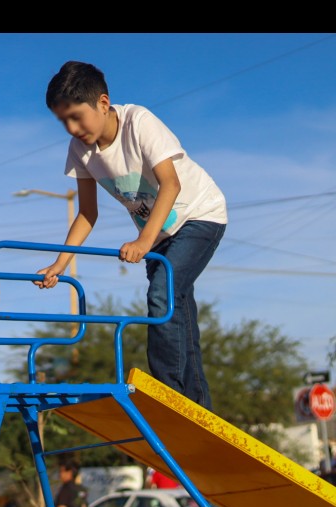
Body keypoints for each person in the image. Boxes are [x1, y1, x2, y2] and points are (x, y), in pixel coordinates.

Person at [36, 61, 227, 411]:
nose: (72, 128)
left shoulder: (139, 122)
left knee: (162, 295)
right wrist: (59, 264)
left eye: (77, 117)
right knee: (176, 308)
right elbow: (87, 213)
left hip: (199, 215)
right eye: (63, 121)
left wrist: (143, 242)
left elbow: (171, 184)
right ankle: (198, 406)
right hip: (158, 235)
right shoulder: (80, 150)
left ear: (103, 103)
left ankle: (169, 397)